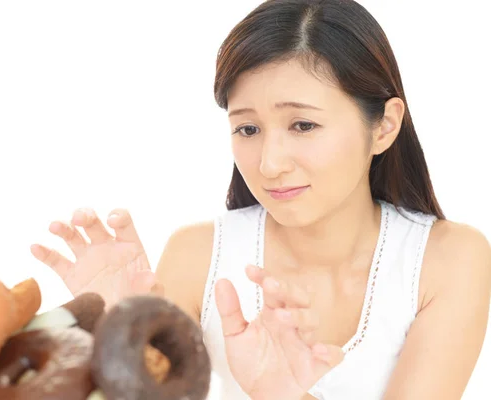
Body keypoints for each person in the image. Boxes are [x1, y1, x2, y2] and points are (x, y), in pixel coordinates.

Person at [30, 0, 491, 399]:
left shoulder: (448, 260)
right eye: (247, 129)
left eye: (303, 125)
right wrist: (119, 335)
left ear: (384, 126)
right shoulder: (197, 256)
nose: (269, 164)